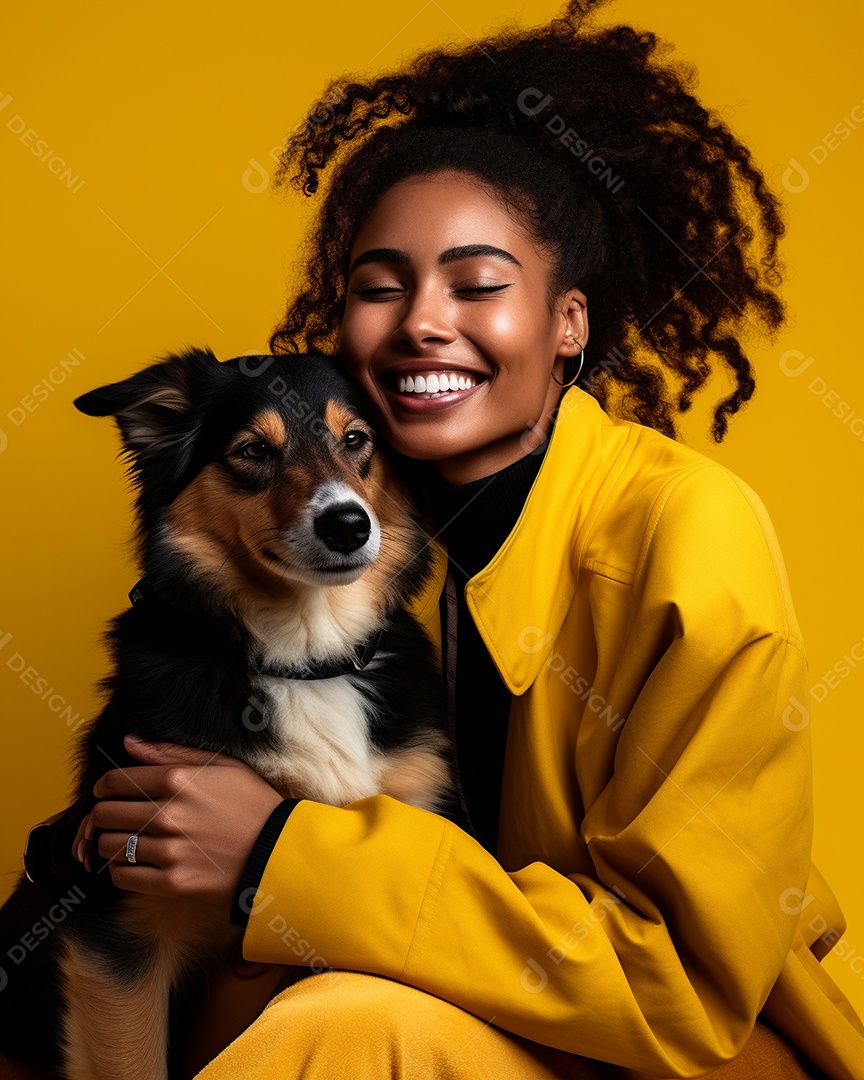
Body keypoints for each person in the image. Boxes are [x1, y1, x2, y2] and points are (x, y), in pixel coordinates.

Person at [5, 2, 857, 1079]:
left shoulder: (689, 529)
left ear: (568, 324)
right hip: (489, 1018)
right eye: (380, 286)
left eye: (479, 283)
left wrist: (275, 854)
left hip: (689, 1050)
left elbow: (674, 988)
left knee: (343, 1021)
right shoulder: (391, 542)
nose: (420, 321)